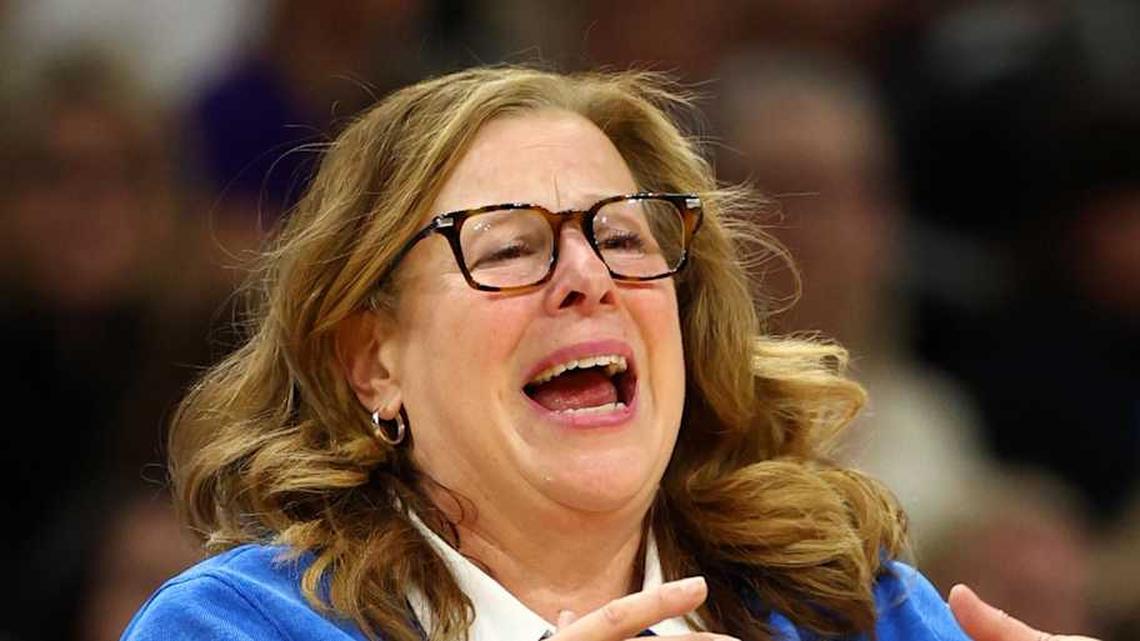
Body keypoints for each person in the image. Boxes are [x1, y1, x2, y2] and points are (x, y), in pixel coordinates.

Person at [121, 66, 1095, 641]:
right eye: (509, 245)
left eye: (625, 235)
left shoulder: (847, 598)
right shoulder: (237, 624)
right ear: (371, 359)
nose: (589, 275)